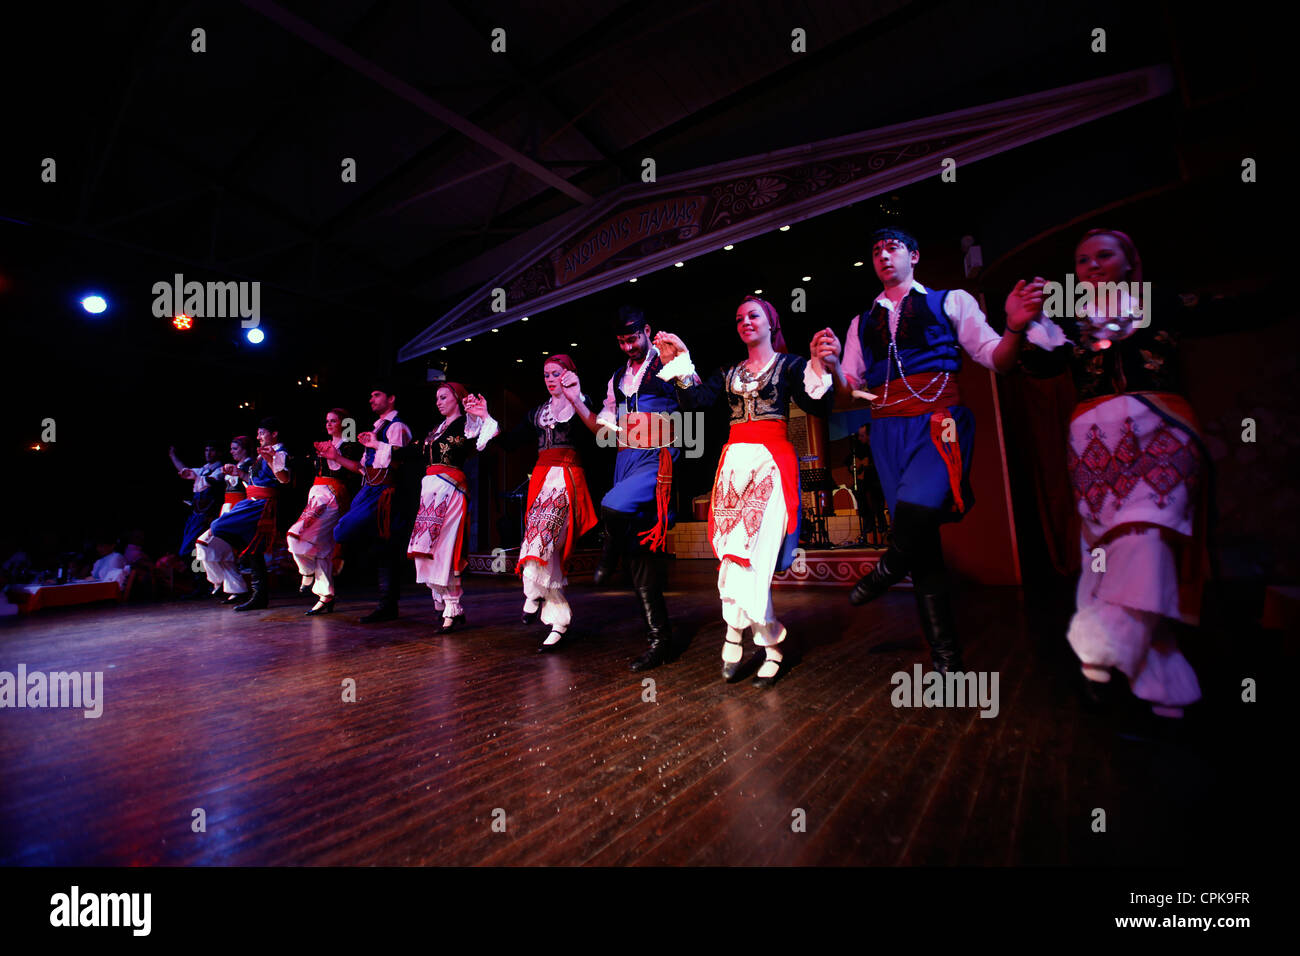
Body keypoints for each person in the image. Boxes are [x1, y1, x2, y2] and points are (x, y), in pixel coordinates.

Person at [811, 227, 1042, 673]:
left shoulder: (950, 300)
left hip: (939, 422)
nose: (883, 255)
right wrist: (836, 367)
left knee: (917, 513)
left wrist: (1015, 327)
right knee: (923, 543)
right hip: (885, 431)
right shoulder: (861, 322)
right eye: (875, 249)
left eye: (892, 247)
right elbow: (848, 397)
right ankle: (945, 656)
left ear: (914, 256)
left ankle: (887, 568)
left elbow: (997, 358)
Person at [1019, 228, 1205, 720]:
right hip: (1096, 447)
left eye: (1104, 255)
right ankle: (1165, 688)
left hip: (1160, 431)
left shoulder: (1162, 302)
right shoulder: (1072, 323)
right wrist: (1021, 325)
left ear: (1129, 260)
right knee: (1102, 551)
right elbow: (1037, 367)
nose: (1093, 265)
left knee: (1147, 536)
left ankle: (1099, 650)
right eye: (1082, 261)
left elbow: (1241, 307)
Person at [655, 295, 831, 686]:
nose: (746, 322)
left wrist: (821, 366)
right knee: (734, 555)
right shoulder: (729, 371)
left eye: (753, 315)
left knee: (757, 554)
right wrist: (678, 362)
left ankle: (750, 639)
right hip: (734, 465)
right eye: (739, 318)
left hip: (771, 462)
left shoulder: (790, 365)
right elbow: (696, 403)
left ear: (771, 322)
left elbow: (817, 405)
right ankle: (759, 644)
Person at [561, 304, 686, 672]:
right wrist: (574, 400)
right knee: (640, 556)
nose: (629, 346)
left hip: (657, 458)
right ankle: (660, 640)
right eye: (622, 341)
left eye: (633, 338)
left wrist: (680, 361)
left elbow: (693, 395)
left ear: (647, 330)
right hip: (625, 460)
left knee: (612, 507)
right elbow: (602, 431)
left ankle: (608, 550)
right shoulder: (617, 378)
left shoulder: (666, 362)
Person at [486, 355, 599, 651]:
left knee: (544, 541)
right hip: (541, 480)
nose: (550, 379)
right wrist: (486, 420)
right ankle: (558, 621)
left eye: (556, 374)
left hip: (567, 478)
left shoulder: (582, 405)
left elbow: (600, 437)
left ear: (569, 374)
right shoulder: (538, 413)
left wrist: (577, 400)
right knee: (536, 546)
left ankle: (534, 596)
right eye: (546, 375)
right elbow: (510, 443)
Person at [405, 382, 498, 631]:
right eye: (436, 398)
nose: (438, 401)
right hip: (430, 491)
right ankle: (444, 601)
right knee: (426, 546)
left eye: (443, 397)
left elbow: (483, 433)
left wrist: (475, 414)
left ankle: (452, 606)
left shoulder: (465, 424)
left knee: (445, 547)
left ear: (457, 398)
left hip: (451, 489)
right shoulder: (436, 429)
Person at [333, 386, 412, 623]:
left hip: (384, 492)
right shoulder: (377, 427)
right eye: (370, 395)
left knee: (374, 541)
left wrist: (377, 446)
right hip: (368, 489)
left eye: (376, 395)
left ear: (391, 397)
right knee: (373, 544)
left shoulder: (396, 426)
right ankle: (386, 603)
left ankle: (387, 604)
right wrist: (335, 457)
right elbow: (362, 467)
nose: (371, 399)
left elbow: (398, 462)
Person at [207, 418, 293, 611]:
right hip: (252, 500)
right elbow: (255, 480)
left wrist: (271, 459)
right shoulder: (263, 454)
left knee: (218, 526)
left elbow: (284, 479)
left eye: (262, 433)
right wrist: (238, 473)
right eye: (258, 433)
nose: (259, 437)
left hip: (262, 504)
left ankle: (248, 564)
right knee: (252, 548)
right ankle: (259, 595)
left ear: (274, 433)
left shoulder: (279, 452)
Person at [287, 408, 364, 615]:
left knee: (296, 534)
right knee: (322, 547)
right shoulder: (322, 445)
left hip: (333, 496)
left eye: (333, 421)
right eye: (327, 421)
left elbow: (359, 469)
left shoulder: (350, 446)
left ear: (343, 424)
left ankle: (306, 572)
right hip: (317, 494)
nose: (329, 424)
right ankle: (326, 596)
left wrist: (336, 456)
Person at [194, 436, 256, 601]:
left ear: (245, 449)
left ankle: (220, 582)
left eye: (235, 449)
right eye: (231, 448)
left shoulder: (250, 466)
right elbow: (210, 479)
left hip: (238, 510)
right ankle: (234, 588)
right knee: (218, 550)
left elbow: (254, 486)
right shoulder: (235, 466)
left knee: (209, 544)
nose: (231, 452)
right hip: (227, 510)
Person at [169, 441, 226, 572]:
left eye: (211, 450)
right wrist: (173, 456)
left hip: (208, 516)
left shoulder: (219, 470)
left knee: (199, 549)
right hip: (196, 515)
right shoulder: (204, 469)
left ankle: (205, 584)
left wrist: (195, 476)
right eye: (206, 450)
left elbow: (211, 481)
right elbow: (185, 471)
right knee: (190, 550)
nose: (208, 453)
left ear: (219, 453)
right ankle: (199, 583)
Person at [846, 425, 888, 546]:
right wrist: (853, 467)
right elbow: (850, 462)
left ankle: (882, 535)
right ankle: (867, 532)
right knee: (862, 501)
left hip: (878, 483)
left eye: (862, 435)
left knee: (878, 509)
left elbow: (882, 466)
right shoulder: (860, 448)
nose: (859, 438)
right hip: (865, 485)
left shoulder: (879, 447)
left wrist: (866, 467)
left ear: (870, 435)